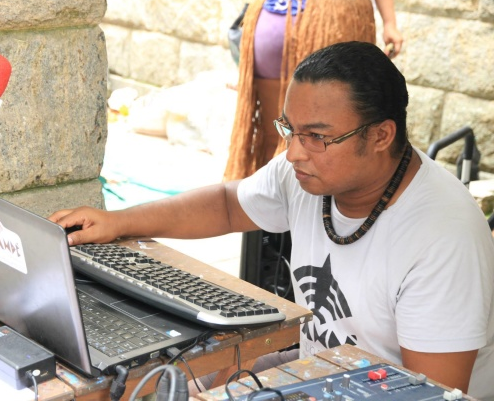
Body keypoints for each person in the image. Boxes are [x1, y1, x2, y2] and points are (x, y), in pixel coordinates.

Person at [50, 42, 494, 400]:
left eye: (317, 137)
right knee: (155, 384)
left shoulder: (443, 236)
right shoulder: (303, 173)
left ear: (381, 135)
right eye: (290, 129)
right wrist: (117, 222)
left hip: (381, 391)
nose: (294, 153)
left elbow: (430, 393)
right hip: (317, 375)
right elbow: (227, 204)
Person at [224, 0, 403, 181]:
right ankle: (308, 209)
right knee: (328, 142)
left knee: (276, 139)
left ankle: (270, 207)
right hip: (334, 16)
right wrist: (389, 23)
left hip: (275, 15)